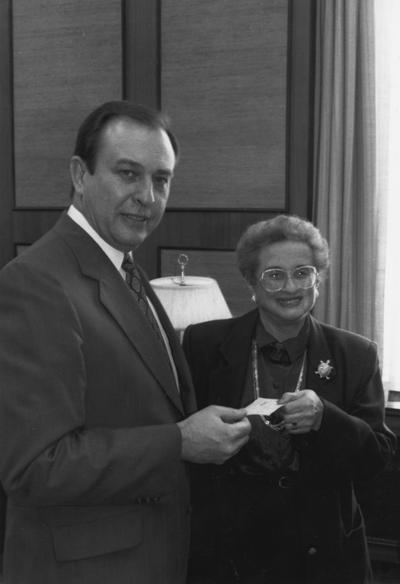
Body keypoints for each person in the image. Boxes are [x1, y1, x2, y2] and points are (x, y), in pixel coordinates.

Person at [0, 100, 251, 584]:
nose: (147, 196)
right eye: (128, 174)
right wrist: (179, 441)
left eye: (161, 180)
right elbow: (35, 466)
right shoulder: (35, 283)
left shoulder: (125, 268)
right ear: (80, 174)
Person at [183, 214, 396, 584]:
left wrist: (326, 419)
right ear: (252, 281)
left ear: (319, 279)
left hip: (321, 553)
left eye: (302, 273)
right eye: (274, 274)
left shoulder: (356, 354)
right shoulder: (203, 344)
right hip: (229, 551)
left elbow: (376, 461)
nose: (290, 287)